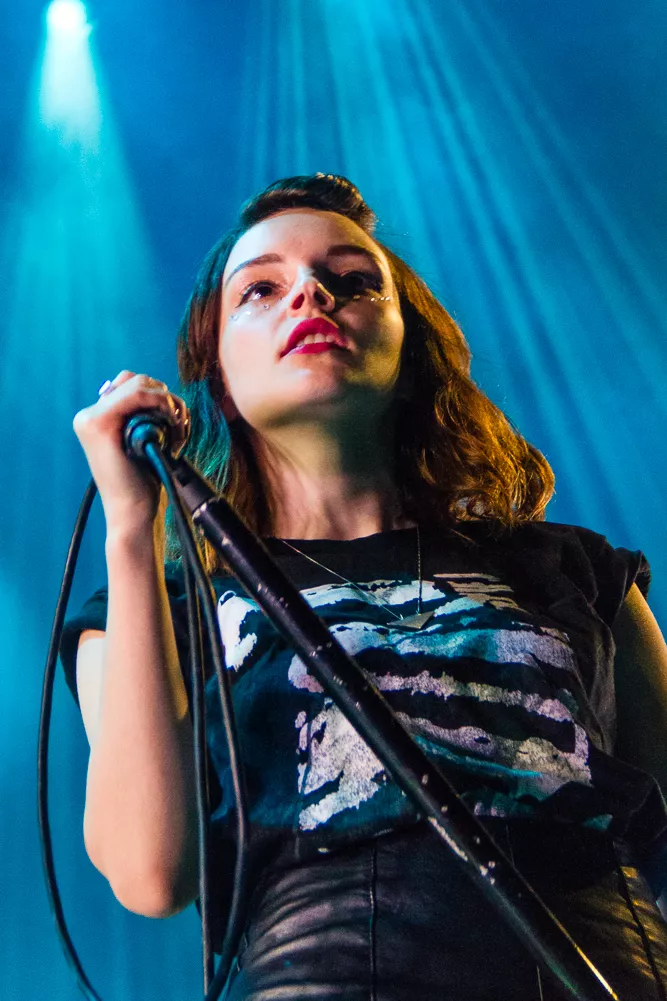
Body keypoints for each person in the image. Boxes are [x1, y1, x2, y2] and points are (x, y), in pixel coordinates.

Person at [61, 173, 667, 999]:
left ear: (411, 351)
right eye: (260, 289)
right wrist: (131, 527)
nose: (310, 293)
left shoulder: (574, 569)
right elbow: (151, 873)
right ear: (217, 377)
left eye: (351, 280)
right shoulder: (159, 607)